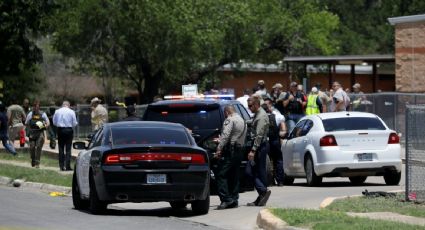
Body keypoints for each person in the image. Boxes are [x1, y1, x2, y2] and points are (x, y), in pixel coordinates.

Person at [214, 105, 247, 210]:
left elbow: (225, 135)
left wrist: (219, 148)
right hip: (240, 150)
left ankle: (226, 199)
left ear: (227, 112)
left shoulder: (229, 120)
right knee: (234, 175)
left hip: (231, 151)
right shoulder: (242, 120)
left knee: (221, 174)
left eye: (225, 114)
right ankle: (234, 199)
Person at [246, 95, 271, 206]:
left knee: (251, 171)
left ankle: (263, 191)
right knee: (256, 171)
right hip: (258, 146)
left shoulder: (261, 116)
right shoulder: (257, 114)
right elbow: (252, 122)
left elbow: (259, 135)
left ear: (256, 104)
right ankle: (261, 195)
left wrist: (253, 150)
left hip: (259, 147)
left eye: (250, 106)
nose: (249, 108)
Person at [263, 98, 285, 186]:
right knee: (278, 160)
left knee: (267, 161)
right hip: (275, 140)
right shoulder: (277, 116)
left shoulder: (260, 117)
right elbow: (283, 128)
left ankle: (270, 181)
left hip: (265, 141)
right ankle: (280, 181)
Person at [53, 101, 78, 171]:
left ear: (62, 105)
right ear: (68, 105)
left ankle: (61, 166)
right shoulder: (71, 112)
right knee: (68, 149)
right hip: (69, 130)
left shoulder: (57, 111)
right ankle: (67, 166)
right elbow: (74, 123)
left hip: (60, 130)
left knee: (61, 148)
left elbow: (54, 122)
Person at [25, 100, 49, 168]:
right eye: (34, 107)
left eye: (37, 107)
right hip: (32, 133)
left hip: (40, 133)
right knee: (32, 147)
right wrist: (29, 130)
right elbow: (26, 123)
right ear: (33, 107)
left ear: (39, 107)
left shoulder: (43, 114)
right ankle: (33, 159)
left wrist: (44, 126)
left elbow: (48, 122)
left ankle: (37, 163)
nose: (36, 108)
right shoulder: (30, 114)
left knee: (39, 147)